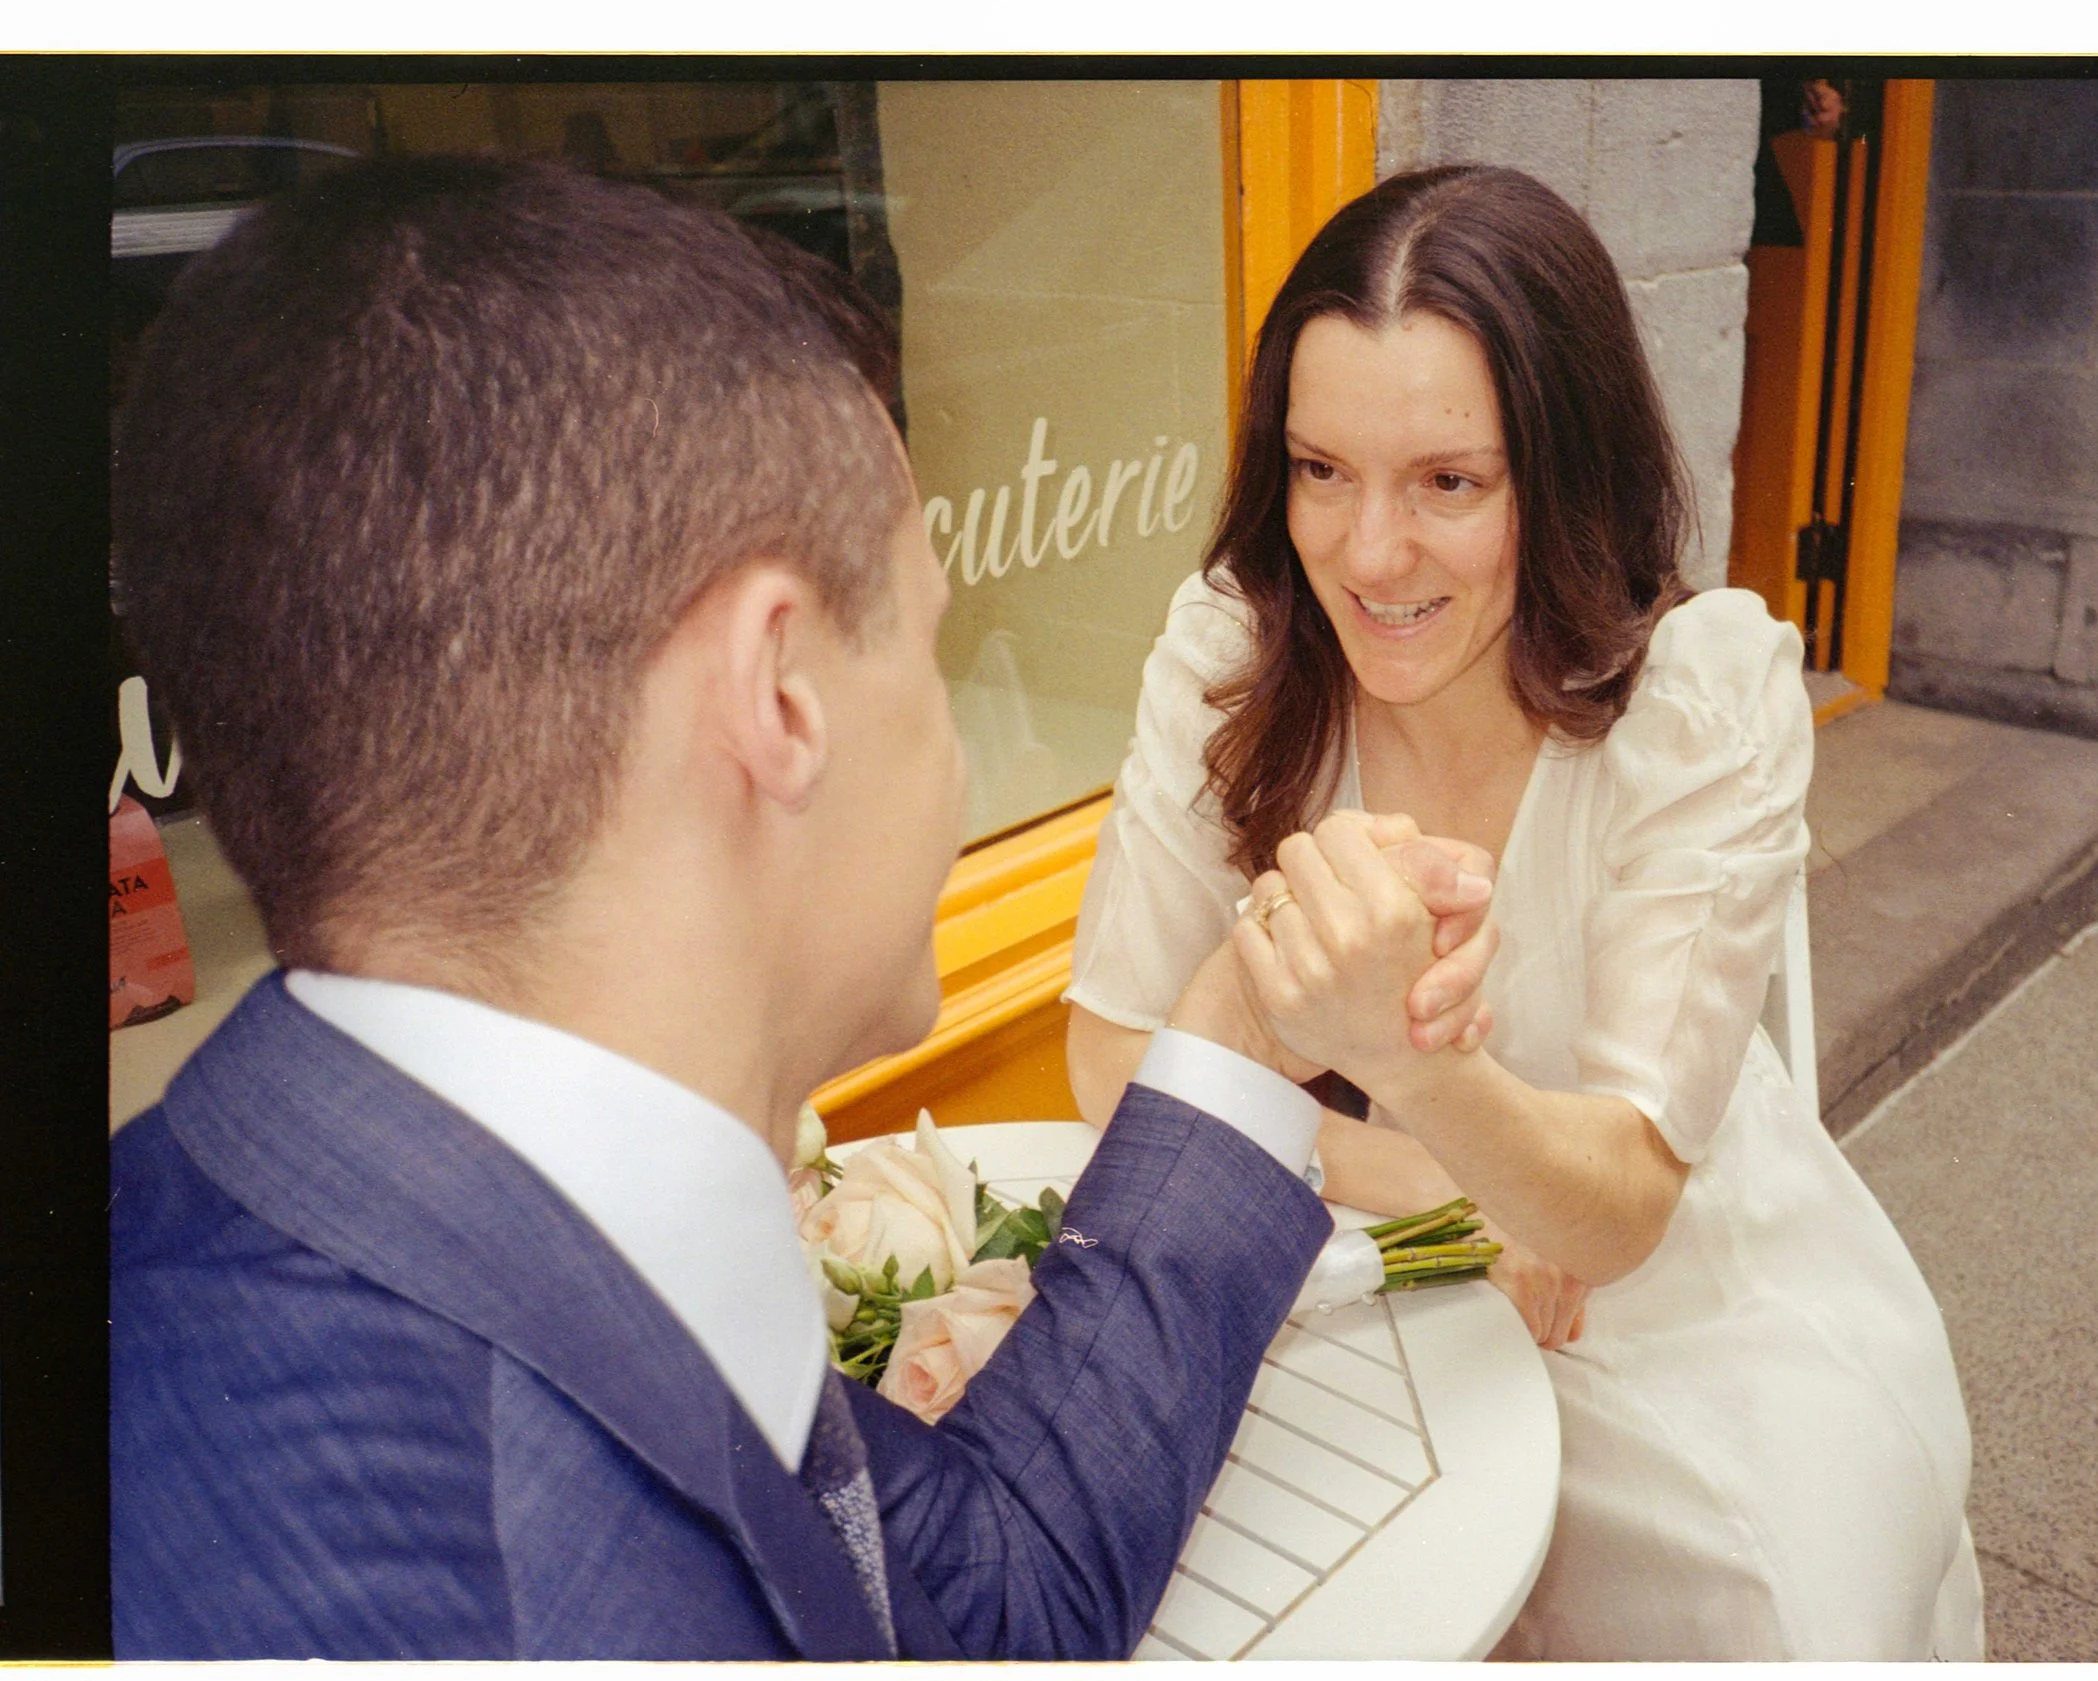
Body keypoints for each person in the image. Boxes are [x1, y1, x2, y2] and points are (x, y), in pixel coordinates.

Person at [105, 155, 1506, 1660]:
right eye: (926, 641)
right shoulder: (534, 1601)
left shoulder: (289, 1194)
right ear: (779, 695)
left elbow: (963, 1592)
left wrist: (1237, 1023)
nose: (960, 745)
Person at [1063, 164, 1987, 1661]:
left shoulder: (1692, 704)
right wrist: (1454, 1203)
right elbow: (1113, 1053)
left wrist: (1415, 1065)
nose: (1368, 554)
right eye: (1320, 470)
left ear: (1561, 475)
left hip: (1683, 1323)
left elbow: (1618, 1207)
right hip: (1370, 1276)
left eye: (1449, 482)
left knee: (1763, 1601)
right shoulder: (1237, 654)